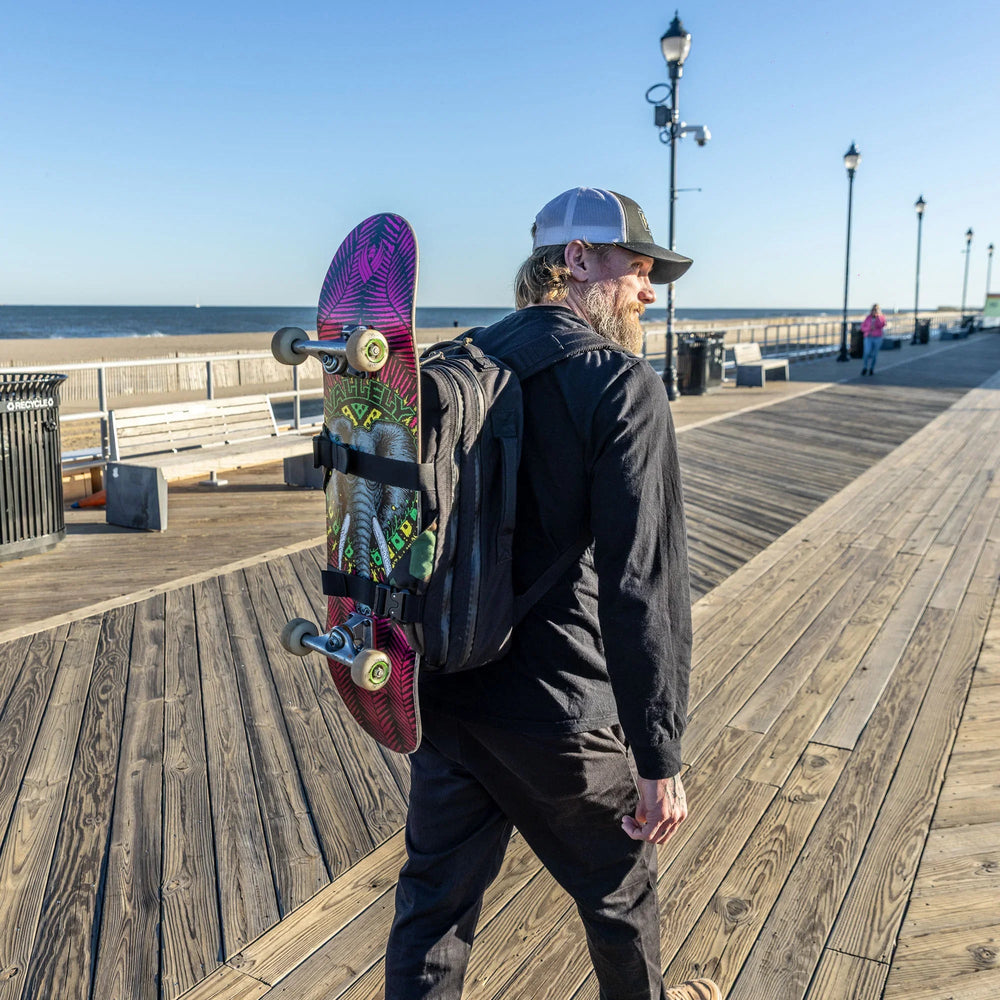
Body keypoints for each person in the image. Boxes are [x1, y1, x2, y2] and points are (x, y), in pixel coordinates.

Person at [384, 187, 719, 1000]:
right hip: (559, 710)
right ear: (574, 261)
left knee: (433, 911)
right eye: (637, 267)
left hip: (446, 691)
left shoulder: (459, 361)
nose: (648, 290)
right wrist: (657, 755)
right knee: (620, 898)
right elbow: (643, 584)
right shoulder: (619, 383)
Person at [860, 303, 886, 375]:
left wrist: (878, 317)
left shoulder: (881, 317)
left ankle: (871, 368)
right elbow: (862, 327)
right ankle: (865, 367)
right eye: (873, 310)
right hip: (868, 337)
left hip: (877, 337)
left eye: (876, 310)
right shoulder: (868, 318)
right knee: (867, 352)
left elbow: (882, 324)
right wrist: (869, 328)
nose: (874, 311)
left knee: (874, 354)